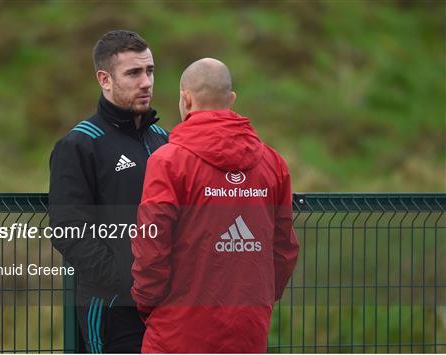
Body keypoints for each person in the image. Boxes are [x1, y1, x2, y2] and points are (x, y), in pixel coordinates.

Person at [130, 58, 299, 353]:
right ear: (231, 100)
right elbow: (284, 250)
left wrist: (147, 303)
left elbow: (152, 247)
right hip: (248, 330)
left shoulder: (167, 161)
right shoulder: (273, 163)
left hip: (177, 333)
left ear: (186, 98)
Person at [48, 30, 168, 353]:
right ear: (104, 79)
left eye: (150, 71)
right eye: (134, 73)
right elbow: (68, 230)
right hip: (113, 310)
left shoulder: (165, 140)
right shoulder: (79, 145)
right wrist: (128, 285)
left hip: (167, 309)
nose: (146, 82)